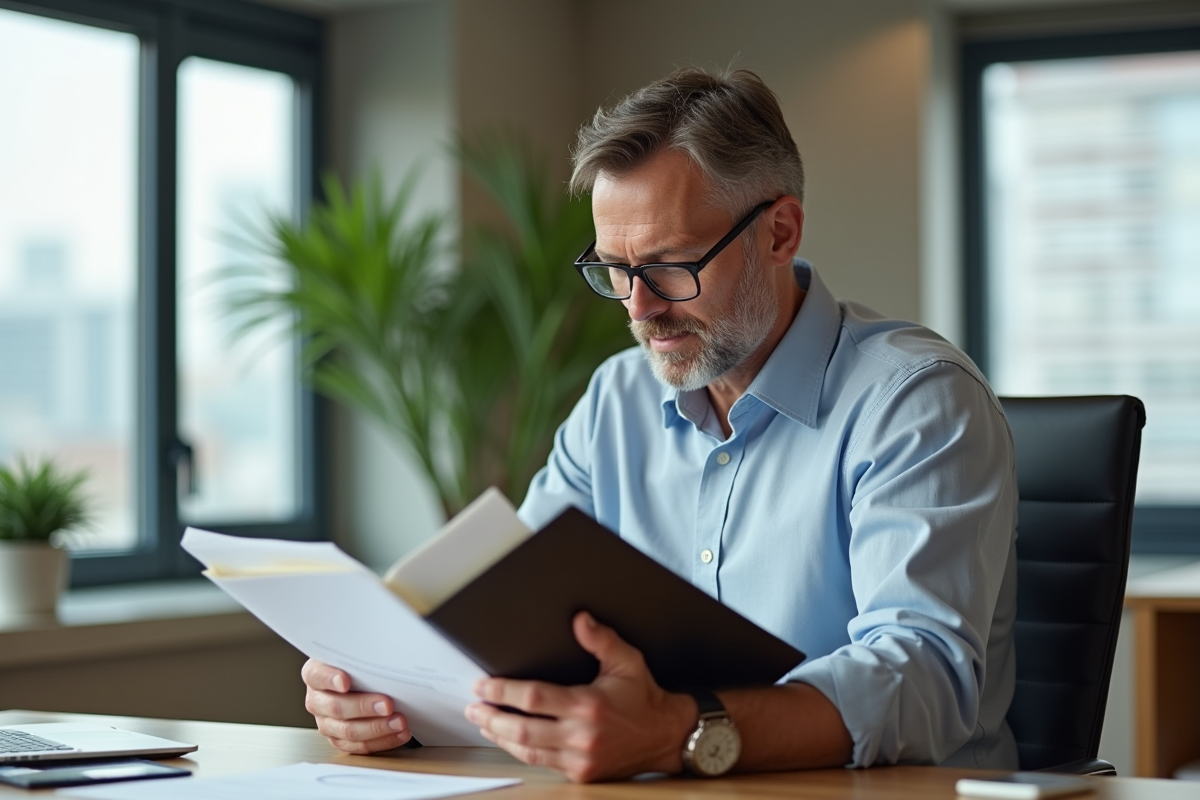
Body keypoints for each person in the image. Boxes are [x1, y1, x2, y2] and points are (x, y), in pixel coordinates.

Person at [301, 67, 1019, 783]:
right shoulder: (615, 400)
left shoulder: (914, 401)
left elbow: (923, 676)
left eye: (672, 265)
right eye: (614, 268)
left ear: (780, 232)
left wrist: (681, 731)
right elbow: (508, 611)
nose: (638, 308)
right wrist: (388, 692)